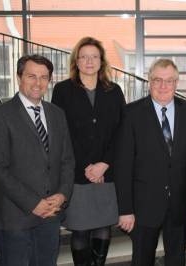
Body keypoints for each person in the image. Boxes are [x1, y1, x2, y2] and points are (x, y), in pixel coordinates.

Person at [0, 54, 75, 266]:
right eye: (31, 76)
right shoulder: (0, 115)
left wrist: (62, 195)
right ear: (19, 77)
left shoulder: (57, 114)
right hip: (14, 219)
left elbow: (67, 161)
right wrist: (33, 203)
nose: (38, 83)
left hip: (50, 218)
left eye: (44, 77)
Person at [114, 58, 186, 266]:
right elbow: (123, 166)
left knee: (176, 260)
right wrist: (125, 209)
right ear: (149, 81)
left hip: (180, 205)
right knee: (142, 260)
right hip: (143, 208)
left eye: (169, 81)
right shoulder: (131, 113)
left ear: (176, 83)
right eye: (157, 80)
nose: (163, 86)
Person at [51, 37, 125, 266]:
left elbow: (122, 133)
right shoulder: (62, 90)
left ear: (102, 61)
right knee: (80, 231)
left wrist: (104, 163)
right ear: (76, 61)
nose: (89, 61)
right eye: (84, 56)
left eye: (94, 56)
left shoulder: (114, 91)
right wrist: (88, 169)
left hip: (107, 175)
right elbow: (60, 134)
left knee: (103, 227)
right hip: (76, 175)